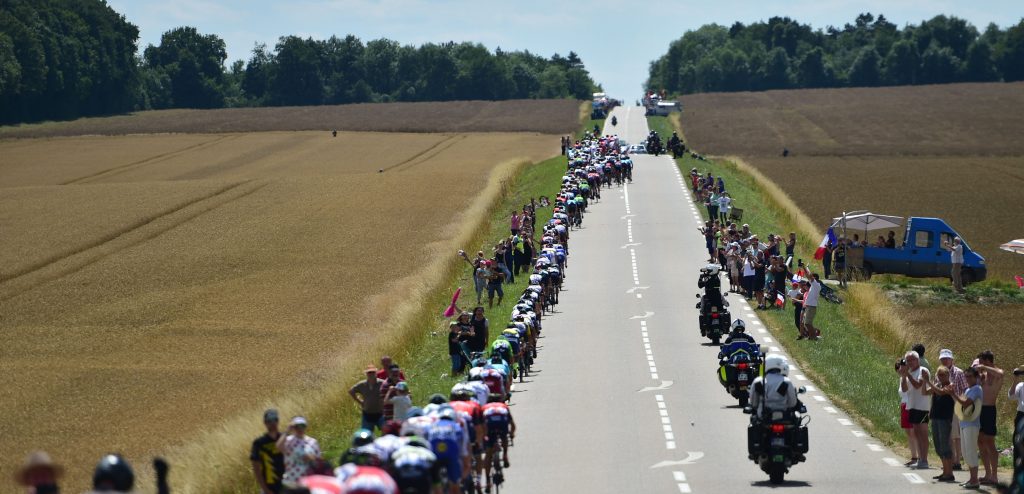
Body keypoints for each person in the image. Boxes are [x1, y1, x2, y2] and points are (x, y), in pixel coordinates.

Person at [975, 350, 1004, 485]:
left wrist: (985, 367)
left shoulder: (997, 372)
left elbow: (1000, 374)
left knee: (989, 442)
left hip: (989, 410)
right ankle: (987, 473)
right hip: (980, 410)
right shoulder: (983, 375)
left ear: (987, 361)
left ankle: (994, 475)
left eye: (981, 362)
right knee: (980, 441)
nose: (980, 365)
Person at [899, 350, 932, 470]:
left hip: (922, 407)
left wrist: (907, 375)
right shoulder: (909, 372)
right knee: (916, 433)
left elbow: (918, 385)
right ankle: (920, 458)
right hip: (912, 406)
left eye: (913, 360)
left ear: (918, 360)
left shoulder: (922, 370)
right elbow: (904, 389)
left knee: (923, 433)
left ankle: (924, 459)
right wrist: (903, 376)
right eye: (908, 360)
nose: (911, 362)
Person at [924, 366, 957, 482]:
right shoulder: (937, 385)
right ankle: (945, 471)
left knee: (945, 445)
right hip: (936, 417)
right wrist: (924, 381)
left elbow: (942, 393)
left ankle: (949, 472)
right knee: (938, 445)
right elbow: (925, 392)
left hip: (944, 418)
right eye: (939, 375)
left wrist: (928, 381)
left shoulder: (951, 385)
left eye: (943, 375)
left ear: (948, 375)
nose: (941, 377)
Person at [939, 348, 969, 470]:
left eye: (947, 358)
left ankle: (957, 461)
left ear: (952, 359)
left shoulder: (958, 372)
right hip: (944, 405)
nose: (945, 360)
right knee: (948, 434)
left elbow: (965, 389)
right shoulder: (939, 372)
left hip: (956, 404)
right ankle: (951, 459)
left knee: (956, 435)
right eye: (943, 359)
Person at [954, 367, 983, 489]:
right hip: (965, 423)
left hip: (972, 424)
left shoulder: (976, 389)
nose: (967, 379)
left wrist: (952, 393)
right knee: (965, 452)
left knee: (970, 451)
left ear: (976, 377)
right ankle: (972, 478)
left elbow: (966, 403)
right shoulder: (968, 390)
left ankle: (975, 480)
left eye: (970, 376)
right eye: (966, 376)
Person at [276, 416, 321, 490]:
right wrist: (287, 430)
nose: (300, 429)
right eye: (297, 426)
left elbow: (320, 462)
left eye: (302, 426)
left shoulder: (312, 442)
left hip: (309, 481)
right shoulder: (288, 440)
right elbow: (278, 446)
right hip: (292, 481)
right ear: (293, 428)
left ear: (305, 427)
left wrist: (311, 458)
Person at [251, 409, 285, 494]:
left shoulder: (285, 439)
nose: (273, 423)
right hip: (269, 487)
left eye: (275, 420)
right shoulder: (259, 443)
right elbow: (256, 469)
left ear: (278, 421)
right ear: (265, 423)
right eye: (269, 421)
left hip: (287, 485)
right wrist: (265, 489)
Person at [350, 367, 386, 432]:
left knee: (387, 432)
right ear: (366, 374)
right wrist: (360, 401)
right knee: (366, 434)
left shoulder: (382, 383)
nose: (371, 374)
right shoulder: (362, 384)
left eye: (373, 372)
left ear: (376, 373)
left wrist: (385, 401)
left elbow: (390, 389)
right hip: (367, 414)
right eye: (369, 372)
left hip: (381, 413)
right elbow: (351, 391)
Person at [800, 274, 821, 340]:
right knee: (806, 323)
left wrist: (804, 267)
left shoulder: (816, 285)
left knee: (807, 323)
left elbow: (810, 277)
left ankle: (814, 337)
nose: (810, 279)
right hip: (808, 307)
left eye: (812, 277)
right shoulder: (812, 286)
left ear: (815, 278)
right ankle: (811, 336)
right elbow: (809, 277)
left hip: (811, 307)